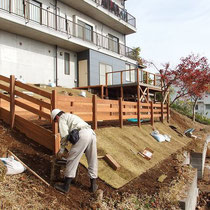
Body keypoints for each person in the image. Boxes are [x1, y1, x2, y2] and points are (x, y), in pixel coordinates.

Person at [51, 109, 98, 193]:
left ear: (57, 117)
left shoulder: (62, 118)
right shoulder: (71, 116)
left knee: (72, 159)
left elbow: (64, 135)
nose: (57, 122)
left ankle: (65, 187)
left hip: (82, 135)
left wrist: (61, 150)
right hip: (91, 134)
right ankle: (93, 185)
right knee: (92, 159)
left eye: (55, 120)